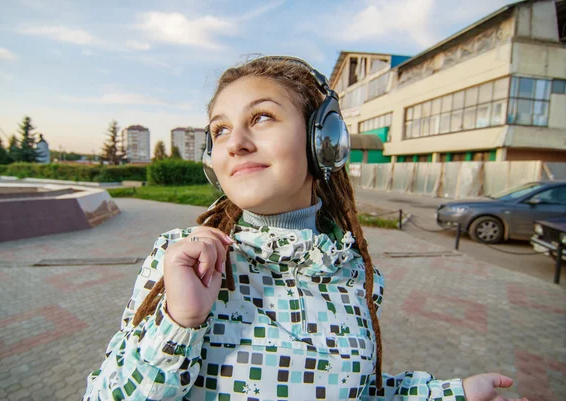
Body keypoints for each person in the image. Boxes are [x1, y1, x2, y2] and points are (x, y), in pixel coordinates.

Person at [83, 56, 527, 401]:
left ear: (323, 141)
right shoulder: (185, 262)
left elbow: (356, 391)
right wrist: (180, 321)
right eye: (220, 130)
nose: (235, 142)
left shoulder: (356, 273)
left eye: (261, 117)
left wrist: (453, 394)